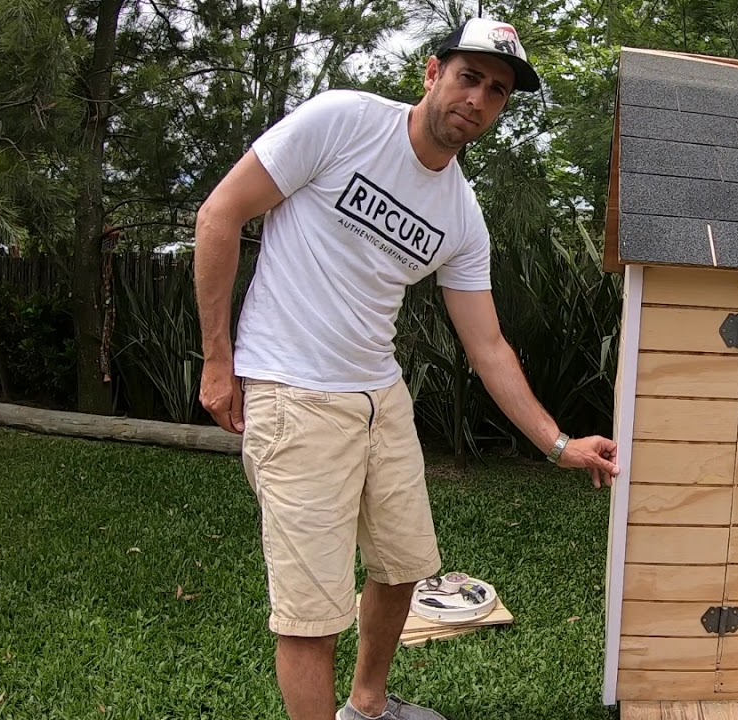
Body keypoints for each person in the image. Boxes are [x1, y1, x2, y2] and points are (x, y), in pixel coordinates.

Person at [192, 17, 620, 720]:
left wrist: (559, 444)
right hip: (294, 394)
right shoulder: (342, 122)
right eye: (469, 77)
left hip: (379, 399)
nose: (479, 98)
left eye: (497, 90)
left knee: (401, 569)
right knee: (312, 613)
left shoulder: (461, 215)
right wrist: (218, 359)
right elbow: (220, 214)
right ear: (433, 73)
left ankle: (367, 705)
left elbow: (489, 347)